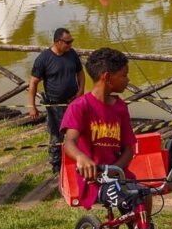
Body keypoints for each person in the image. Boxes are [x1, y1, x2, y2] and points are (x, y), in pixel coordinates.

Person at [60, 48, 140, 212]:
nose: (127, 80)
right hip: (94, 181)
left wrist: (115, 170)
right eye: (124, 75)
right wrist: (81, 157)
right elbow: (69, 142)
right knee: (127, 199)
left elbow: (128, 150)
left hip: (119, 175)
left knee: (143, 196)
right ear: (107, 77)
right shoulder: (80, 106)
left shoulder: (120, 107)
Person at [28, 28, 84, 173]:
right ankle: (57, 166)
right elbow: (33, 83)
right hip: (54, 104)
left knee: (77, 132)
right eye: (67, 42)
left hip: (73, 102)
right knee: (56, 136)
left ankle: (77, 161)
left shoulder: (72, 54)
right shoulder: (44, 59)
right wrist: (32, 106)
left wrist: (80, 91)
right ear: (58, 42)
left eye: (72, 41)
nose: (70, 44)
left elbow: (80, 72)